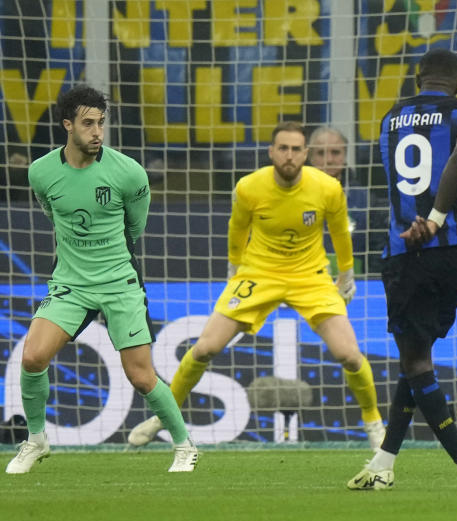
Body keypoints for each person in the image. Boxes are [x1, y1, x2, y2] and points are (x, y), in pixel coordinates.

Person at [127, 121, 385, 450]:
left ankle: (373, 421)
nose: (289, 156)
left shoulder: (328, 189)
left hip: (309, 277)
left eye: (296, 150)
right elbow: (237, 229)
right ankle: (165, 415)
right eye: (283, 149)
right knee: (205, 348)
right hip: (258, 273)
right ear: (271, 152)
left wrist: (346, 275)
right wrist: (235, 269)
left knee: (349, 355)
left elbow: (339, 233)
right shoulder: (250, 187)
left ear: (305, 154)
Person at [6, 85, 198, 474]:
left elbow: (135, 225)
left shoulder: (127, 172)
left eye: (101, 123)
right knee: (32, 356)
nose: (97, 132)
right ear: (67, 126)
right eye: (88, 123)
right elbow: (52, 213)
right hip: (71, 283)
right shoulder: (41, 172)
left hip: (118, 281)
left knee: (141, 375)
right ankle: (36, 440)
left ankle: (184, 445)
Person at [347, 48, 457, 491]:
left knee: (416, 361)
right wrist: (442, 217)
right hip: (448, 251)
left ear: (418, 78)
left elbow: (411, 184)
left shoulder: (390, 118)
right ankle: (390, 463)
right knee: (416, 359)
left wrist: (446, 210)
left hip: (403, 250)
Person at [308, 125, 388, 274]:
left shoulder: (367, 201)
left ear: (345, 154)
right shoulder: (296, 198)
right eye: (321, 153)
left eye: (335, 152)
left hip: (357, 286)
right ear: (310, 157)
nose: (329, 160)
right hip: (306, 284)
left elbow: (377, 252)